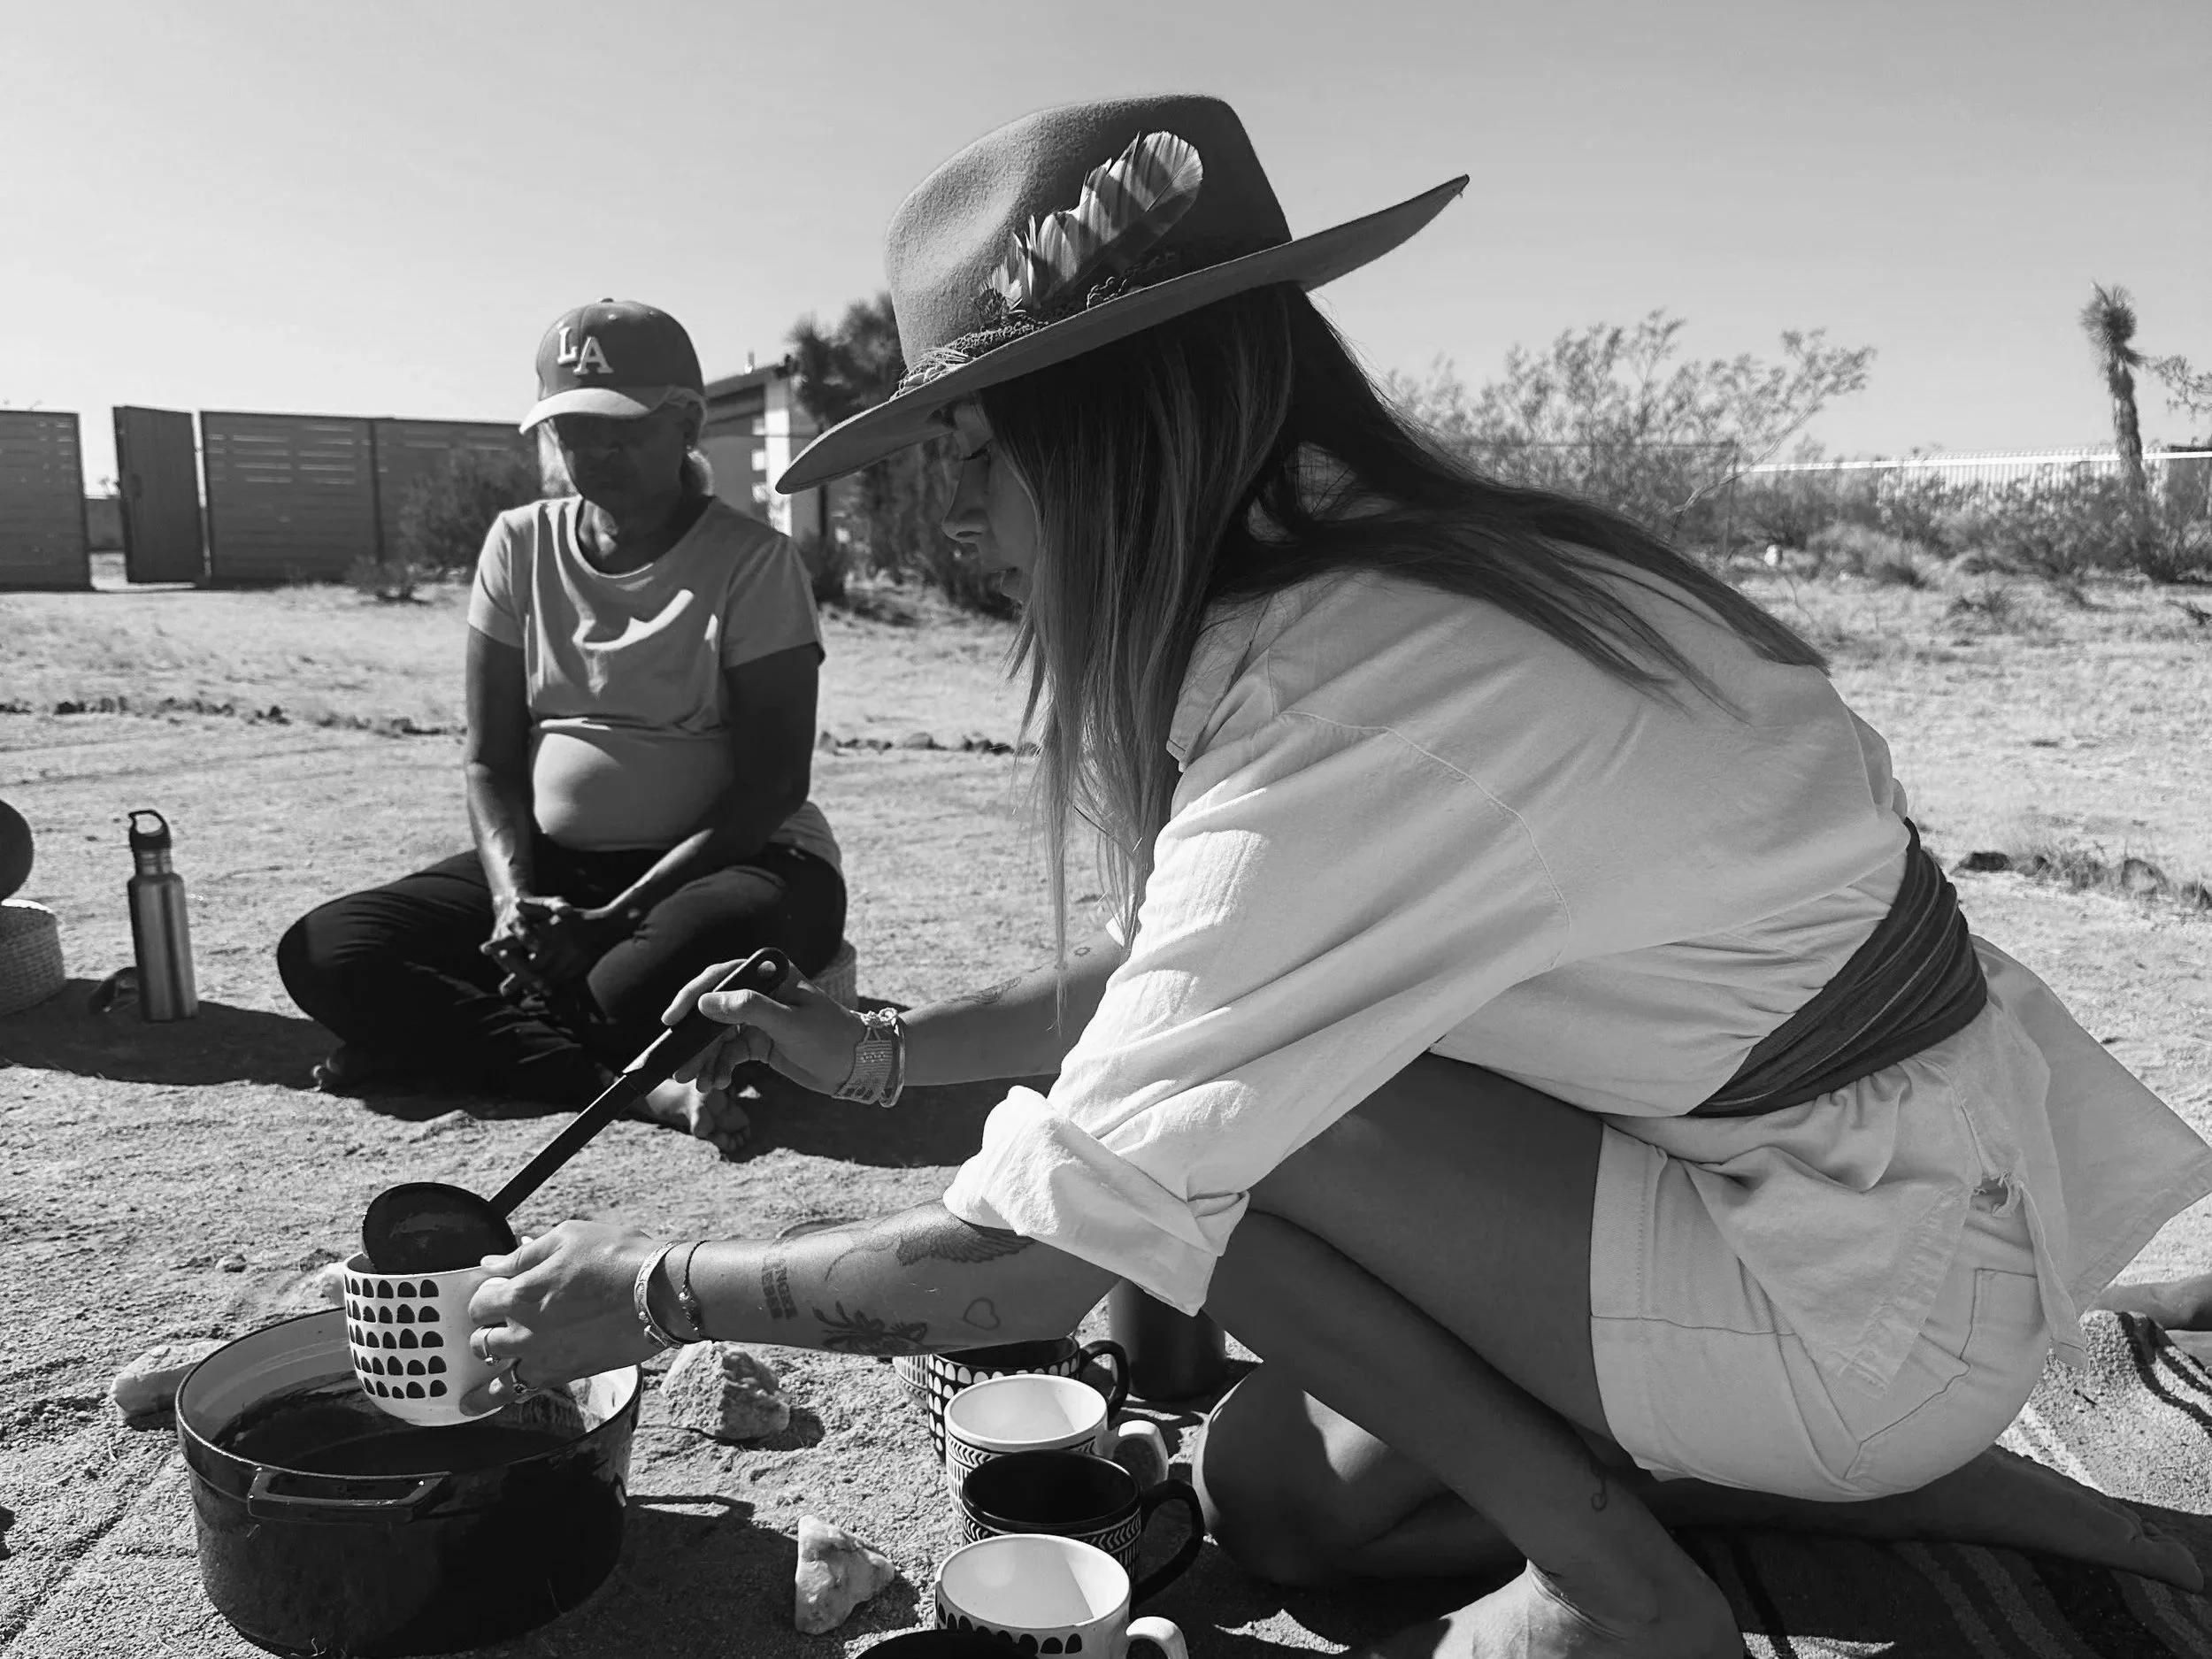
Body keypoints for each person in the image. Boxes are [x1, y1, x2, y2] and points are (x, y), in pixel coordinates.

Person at [459, 100, 2212, 1658]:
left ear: (1097, 437)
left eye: (974, 463)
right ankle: (1979, 1497)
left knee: (1222, 1140)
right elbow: (1194, 963)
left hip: (1858, 1282)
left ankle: (1613, 1577)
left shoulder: (1361, 709)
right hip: (1873, 1191)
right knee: (1271, 1493)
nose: (967, 530)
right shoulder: (1421, 587)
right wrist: (893, 1057)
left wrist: (647, 1286)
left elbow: (1011, 1265)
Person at [279, 300, 845, 1154]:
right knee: (327, 948)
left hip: (747, 864)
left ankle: (440, 1041)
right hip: (557, 874)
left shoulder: (753, 562)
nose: (596, 453)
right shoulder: (519, 543)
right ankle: (630, 1090)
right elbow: (490, 762)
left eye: (622, 429)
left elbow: (772, 789)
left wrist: (616, 917)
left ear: (685, 421)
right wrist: (514, 903)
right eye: (573, 430)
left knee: (621, 995)